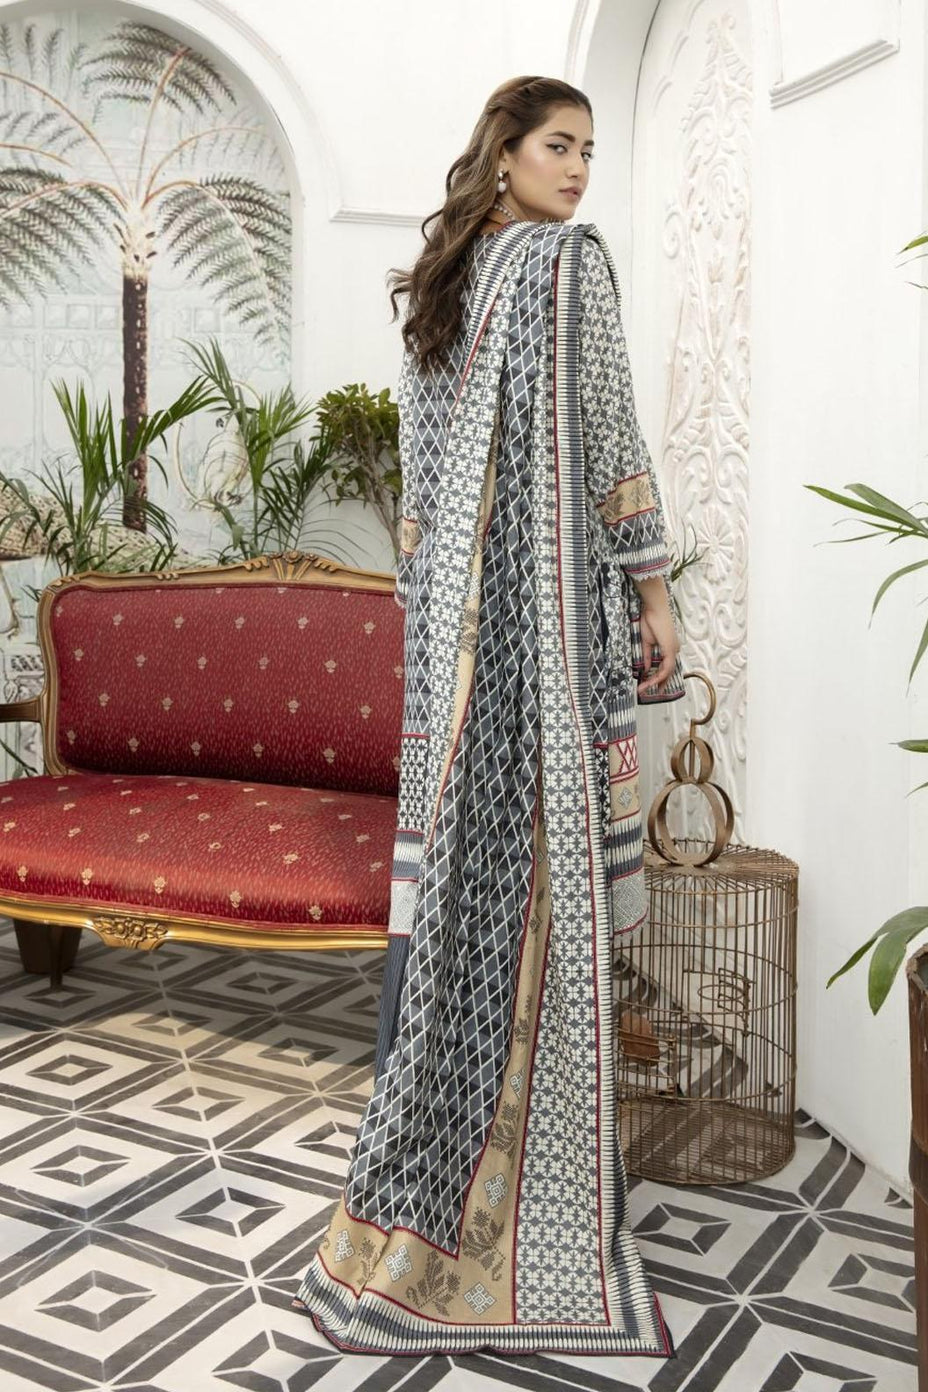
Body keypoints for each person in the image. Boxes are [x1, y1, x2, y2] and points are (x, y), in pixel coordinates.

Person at [292, 75, 683, 1357]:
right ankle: (532, 1181)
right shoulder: (567, 267)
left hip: (457, 652)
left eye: (589, 151)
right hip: (546, 643)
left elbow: (421, 498)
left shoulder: (448, 286)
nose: (578, 170)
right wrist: (654, 588)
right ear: (503, 154)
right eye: (557, 145)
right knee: (541, 897)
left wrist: (443, 636)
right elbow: (610, 433)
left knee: (468, 892)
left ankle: (435, 1168)